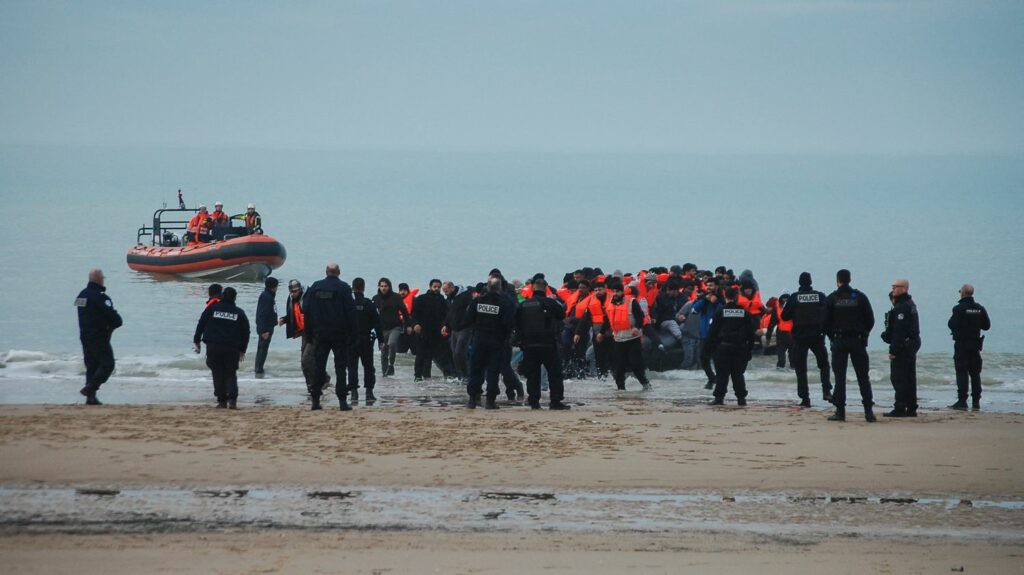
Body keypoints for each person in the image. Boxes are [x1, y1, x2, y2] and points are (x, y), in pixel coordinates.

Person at [822, 269, 876, 422]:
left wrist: (832, 337)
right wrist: (864, 334)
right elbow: (870, 320)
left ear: (837, 280)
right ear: (850, 279)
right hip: (858, 341)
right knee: (863, 377)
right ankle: (868, 411)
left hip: (839, 341)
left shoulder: (832, 298)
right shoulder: (860, 297)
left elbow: (824, 323)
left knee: (840, 378)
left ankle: (840, 411)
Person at [303, 263, 356, 411]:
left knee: (319, 367)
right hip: (339, 334)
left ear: (326, 272)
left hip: (320, 334)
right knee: (340, 368)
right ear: (339, 272)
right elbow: (351, 312)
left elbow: (306, 310)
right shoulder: (344, 288)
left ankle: (315, 399)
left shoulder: (315, 287)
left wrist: (308, 333)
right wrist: (353, 334)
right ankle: (342, 401)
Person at [515, 276, 571, 410]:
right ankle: (555, 401)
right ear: (546, 288)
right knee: (554, 373)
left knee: (533, 374)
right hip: (548, 343)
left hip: (529, 344)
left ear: (533, 287)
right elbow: (561, 315)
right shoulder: (550, 303)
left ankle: (534, 401)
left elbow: (517, 323)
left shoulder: (524, 305)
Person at [460, 277, 516, 409]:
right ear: (500, 288)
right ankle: (490, 400)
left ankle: (473, 399)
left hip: (479, 338)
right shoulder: (504, 303)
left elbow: (467, 320)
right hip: (497, 339)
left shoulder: (477, 301)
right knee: (493, 370)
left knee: (476, 368)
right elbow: (509, 323)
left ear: (488, 287)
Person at [781, 272, 833, 407]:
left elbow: (785, 316)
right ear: (810, 282)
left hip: (800, 337)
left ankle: (805, 399)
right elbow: (829, 312)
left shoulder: (794, 297)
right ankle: (826, 390)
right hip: (817, 336)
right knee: (824, 365)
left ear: (800, 283)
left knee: (801, 369)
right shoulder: (820, 296)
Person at [193, 287, 250, 409]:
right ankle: (232, 401)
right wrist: (243, 349)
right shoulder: (239, 312)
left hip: (214, 346)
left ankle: (221, 401)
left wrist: (197, 340)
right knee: (230, 373)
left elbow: (201, 323)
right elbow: (246, 332)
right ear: (235, 298)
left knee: (217, 373)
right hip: (232, 348)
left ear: (223, 296)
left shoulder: (212, 309)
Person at [75, 269, 123, 405]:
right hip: (99, 336)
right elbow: (113, 317)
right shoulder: (100, 297)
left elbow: (83, 313)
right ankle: (90, 388)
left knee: (92, 365)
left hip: (84, 335)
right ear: (99, 279)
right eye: (103, 278)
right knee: (108, 364)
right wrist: (116, 322)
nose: (103, 280)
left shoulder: (81, 295)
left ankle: (90, 398)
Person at [707, 287, 756, 406]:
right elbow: (751, 333)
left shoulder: (720, 312)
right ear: (737, 297)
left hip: (723, 347)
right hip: (740, 348)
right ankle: (741, 399)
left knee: (722, 374)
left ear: (725, 297)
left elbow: (712, 332)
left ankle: (719, 398)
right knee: (738, 374)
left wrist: (709, 349)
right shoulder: (744, 313)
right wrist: (749, 350)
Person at [602, 280, 652, 391]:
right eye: (614, 291)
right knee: (619, 366)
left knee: (635, 363)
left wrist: (637, 327)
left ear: (622, 292)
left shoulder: (632, 302)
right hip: (619, 339)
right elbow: (607, 320)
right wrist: (601, 332)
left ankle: (646, 385)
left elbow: (640, 316)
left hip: (633, 338)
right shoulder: (610, 304)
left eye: (618, 291)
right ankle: (621, 389)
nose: (615, 294)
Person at [947, 284, 991, 410]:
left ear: (962, 293)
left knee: (962, 372)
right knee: (975, 373)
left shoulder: (959, 308)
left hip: (962, 345)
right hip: (975, 345)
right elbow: (986, 326)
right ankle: (976, 402)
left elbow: (952, 325)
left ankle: (962, 401)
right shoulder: (979, 308)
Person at [881, 279, 921, 417]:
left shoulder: (902, 307)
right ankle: (911, 407)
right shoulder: (910, 304)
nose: (893, 289)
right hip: (911, 343)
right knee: (909, 377)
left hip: (905, 346)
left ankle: (900, 407)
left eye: (895, 287)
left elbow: (899, 331)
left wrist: (893, 350)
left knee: (899, 377)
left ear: (903, 288)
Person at [348, 277, 383, 403]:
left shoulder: (348, 303)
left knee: (352, 366)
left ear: (352, 288)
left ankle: (353, 393)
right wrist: (381, 341)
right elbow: (377, 323)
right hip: (365, 339)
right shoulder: (369, 303)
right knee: (368, 366)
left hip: (350, 339)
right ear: (363, 288)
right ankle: (369, 393)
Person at [412, 279, 450, 381]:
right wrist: (415, 324)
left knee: (441, 354)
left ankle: (446, 374)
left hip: (437, 331)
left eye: (438, 287)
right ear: (430, 287)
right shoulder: (421, 299)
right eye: (435, 287)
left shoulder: (442, 300)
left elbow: (446, 315)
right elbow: (414, 313)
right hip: (423, 330)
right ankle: (418, 376)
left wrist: (445, 325)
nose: (437, 289)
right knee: (421, 354)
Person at [373, 278, 410, 377]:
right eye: (381, 286)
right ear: (379, 287)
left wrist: (408, 325)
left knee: (392, 344)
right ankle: (385, 374)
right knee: (384, 351)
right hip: (382, 328)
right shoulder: (376, 298)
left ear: (389, 287)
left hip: (396, 326)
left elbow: (405, 312)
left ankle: (391, 365)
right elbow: (372, 314)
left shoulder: (396, 297)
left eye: (385, 286)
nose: (383, 288)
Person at [254, 277, 278, 377]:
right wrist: (265, 330)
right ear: (273, 287)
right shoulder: (267, 297)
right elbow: (263, 314)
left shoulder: (268, 296)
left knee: (262, 348)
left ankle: (258, 368)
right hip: (265, 328)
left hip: (267, 327)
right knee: (262, 349)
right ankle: (259, 369)